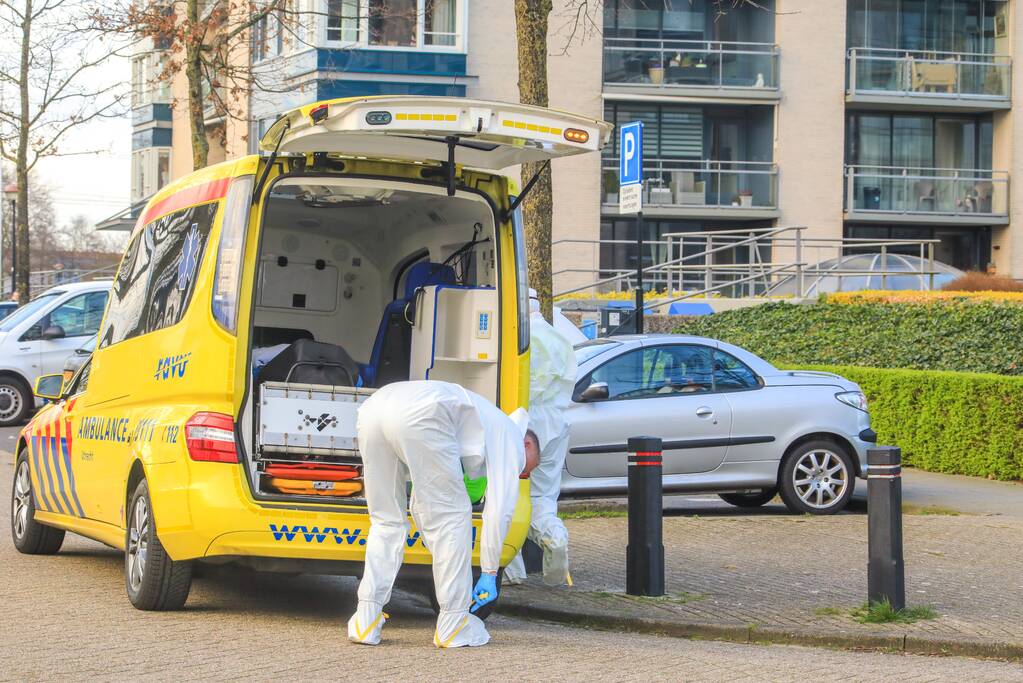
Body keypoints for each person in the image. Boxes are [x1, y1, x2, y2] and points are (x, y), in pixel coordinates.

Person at [347, 380, 540, 648]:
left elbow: (422, 496)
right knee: (452, 518)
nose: (521, 475)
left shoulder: (482, 417)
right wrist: (489, 569)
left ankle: (365, 619)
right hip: (421, 412)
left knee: (386, 520)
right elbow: (500, 509)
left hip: (373, 409)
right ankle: (454, 623)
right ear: (527, 445)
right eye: (525, 471)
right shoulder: (510, 435)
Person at [504, 292, 578, 586]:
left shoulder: (521, 340)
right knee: (544, 497)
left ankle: (511, 569)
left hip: (526, 419)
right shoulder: (560, 339)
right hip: (557, 422)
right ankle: (555, 539)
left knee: (509, 494)